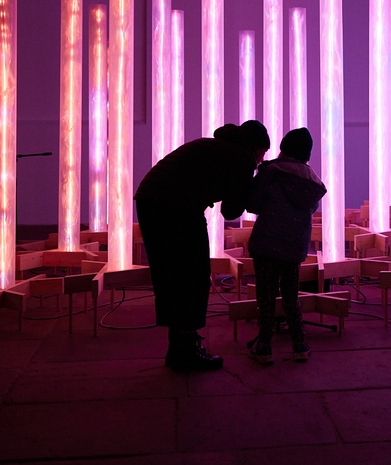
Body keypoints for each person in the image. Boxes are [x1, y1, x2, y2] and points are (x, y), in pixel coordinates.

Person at [135, 119, 270, 372]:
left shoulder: (216, 146)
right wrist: (253, 185)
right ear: (255, 147)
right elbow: (231, 211)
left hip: (151, 200)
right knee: (193, 276)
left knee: (173, 276)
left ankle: (179, 348)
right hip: (175, 207)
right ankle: (184, 353)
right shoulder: (242, 158)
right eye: (262, 154)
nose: (261, 160)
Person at [246, 127, 327, 365]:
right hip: (294, 246)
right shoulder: (312, 180)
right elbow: (310, 208)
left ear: (284, 148)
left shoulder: (271, 171)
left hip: (266, 242)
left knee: (266, 295)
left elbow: (253, 203)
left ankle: (265, 346)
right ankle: (299, 345)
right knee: (291, 295)